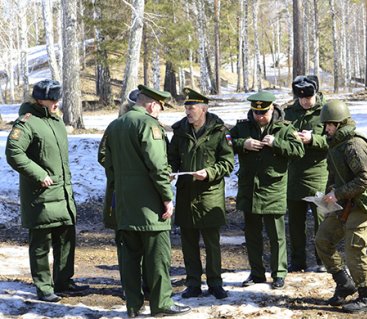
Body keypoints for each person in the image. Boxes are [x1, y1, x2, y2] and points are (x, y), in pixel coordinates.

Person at [100, 84, 191, 318]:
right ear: (152, 104)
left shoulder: (115, 125)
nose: (160, 111)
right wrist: (167, 198)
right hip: (150, 207)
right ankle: (161, 304)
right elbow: (158, 167)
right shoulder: (150, 125)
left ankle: (133, 306)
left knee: (129, 259)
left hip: (123, 204)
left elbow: (105, 160)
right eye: (160, 107)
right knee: (158, 257)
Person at [5, 79, 89, 302]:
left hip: (62, 193)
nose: (56, 103)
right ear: (38, 100)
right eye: (52, 99)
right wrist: (39, 174)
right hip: (40, 195)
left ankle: (64, 282)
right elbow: (14, 152)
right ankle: (43, 287)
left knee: (66, 238)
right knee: (41, 243)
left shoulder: (55, 120)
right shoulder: (26, 123)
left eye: (57, 99)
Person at [230, 91, 305, 289]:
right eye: (256, 112)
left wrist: (277, 144)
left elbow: (299, 150)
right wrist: (242, 144)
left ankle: (279, 273)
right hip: (249, 189)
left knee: (276, 235)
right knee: (252, 235)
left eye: (263, 112)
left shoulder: (284, 128)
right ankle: (256, 273)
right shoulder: (242, 127)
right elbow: (226, 145)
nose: (259, 116)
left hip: (273, 189)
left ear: (272, 109)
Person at [168, 87, 234, 300]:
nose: (188, 112)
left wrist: (209, 173)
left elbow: (228, 163)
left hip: (210, 194)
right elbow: (172, 158)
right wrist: (170, 171)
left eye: (192, 107)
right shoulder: (179, 131)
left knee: (212, 244)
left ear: (204, 109)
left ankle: (215, 283)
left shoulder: (219, 131)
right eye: (186, 107)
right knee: (188, 242)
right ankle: (193, 283)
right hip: (186, 193)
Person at [315, 99, 367, 313]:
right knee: (322, 240)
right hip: (342, 204)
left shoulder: (354, 145)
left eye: (330, 124)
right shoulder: (335, 145)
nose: (326, 128)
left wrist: (337, 193)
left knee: (354, 250)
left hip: (360, 204)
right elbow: (334, 175)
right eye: (326, 125)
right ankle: (344, 283)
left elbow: (365, 179)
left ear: (340, 124)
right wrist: (326, 198)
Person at [98, 87, 150, 300]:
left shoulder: (143, 125)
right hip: (121, 191)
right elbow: (103, 155)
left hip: (138, 191)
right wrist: (119, 171)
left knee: (146, 243)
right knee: (128, 242)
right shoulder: (115, 127)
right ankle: (133, 287)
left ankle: (146, 285)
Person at [284, 75, 328, 273]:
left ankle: (324, 260)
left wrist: (314, 139)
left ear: (316, 93)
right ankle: (298, 261)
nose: (304, 101)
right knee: (295, 224)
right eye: (301, 98)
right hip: (293, 175)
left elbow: (337, 140)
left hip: (319, 175)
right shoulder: (288, 113)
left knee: (322, 222)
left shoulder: (327, 112)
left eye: (308, 97)